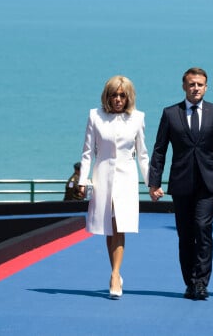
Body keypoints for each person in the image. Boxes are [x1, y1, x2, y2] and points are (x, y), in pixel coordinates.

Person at [148, 67, 213, 300]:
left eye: (200, 84)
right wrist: (154, 183)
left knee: (203, 230)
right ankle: (190, 282)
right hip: (181, 183)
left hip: (208, 183)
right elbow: (159, 150)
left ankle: (202, 283)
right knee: (185, 235)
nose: (196, 88)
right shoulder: (170, 113)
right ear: (184, 86)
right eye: (192, 84)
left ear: (206, 87)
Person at [77, 75, 149, 299]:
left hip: (127, 178)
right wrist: (82, 180)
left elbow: (143, 155)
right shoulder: (95, 116)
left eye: (122, 95)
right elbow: (88, 152)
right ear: (107, 96)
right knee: (109, 226)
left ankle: (115, 274)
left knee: (120, 225)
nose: (118, 99)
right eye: (114, 95)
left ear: (129, 97)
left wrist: (152, 183)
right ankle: (115, 271)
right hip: (103, 177)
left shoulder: (138, 118)